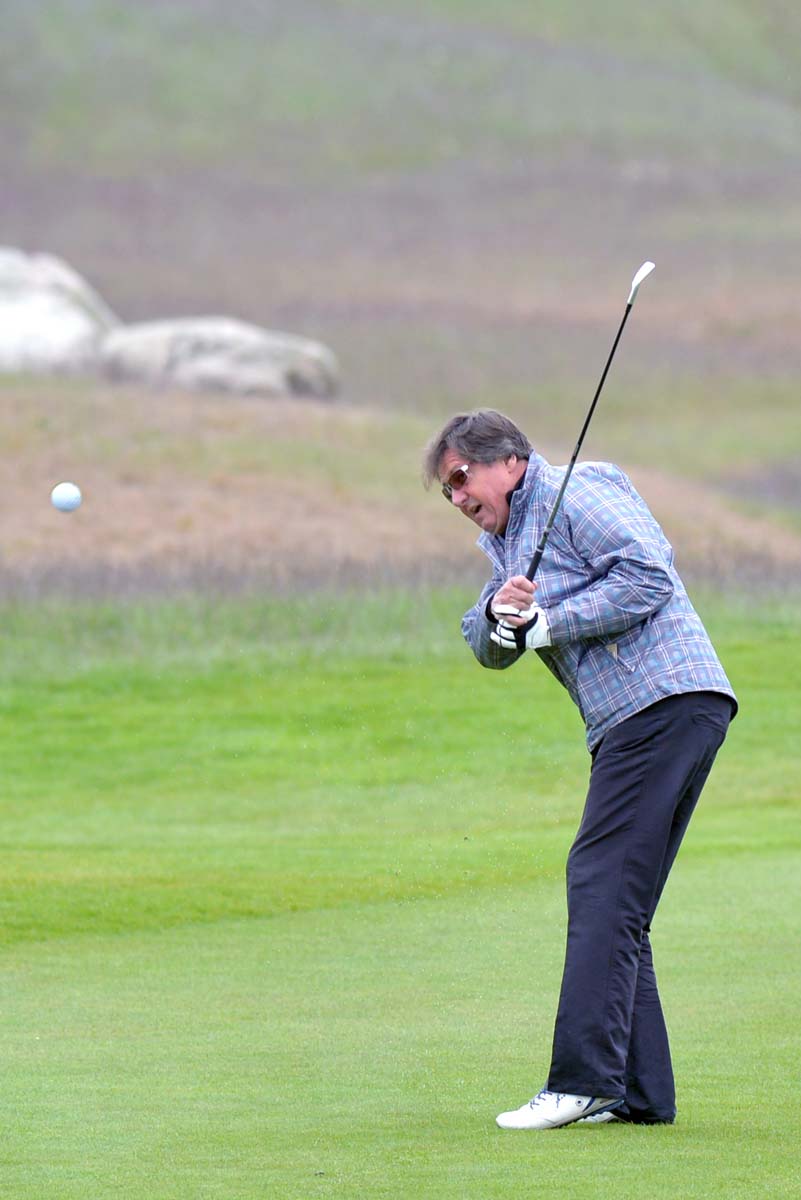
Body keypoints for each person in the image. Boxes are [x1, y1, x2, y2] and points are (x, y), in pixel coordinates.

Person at [422, 408, 737, 1131]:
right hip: (651, 714)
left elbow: (648, 574)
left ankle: (581, 1080)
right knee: (619, 899)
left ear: (509, 462)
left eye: (462, 477)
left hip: (660, 700)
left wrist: (549, 622)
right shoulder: (507, 540)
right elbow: (487, 642)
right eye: (447, 489)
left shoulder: (576, 489)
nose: (457, 496)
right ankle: (637, 1092)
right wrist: (500, 617)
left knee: (597, 880)